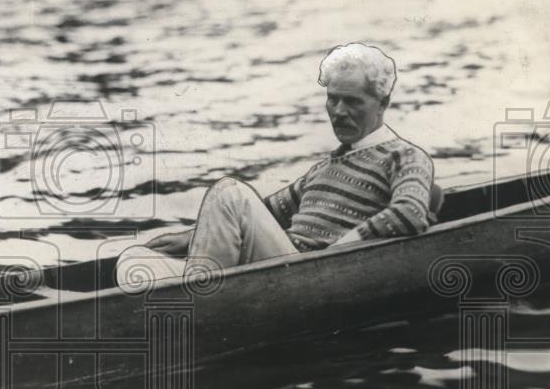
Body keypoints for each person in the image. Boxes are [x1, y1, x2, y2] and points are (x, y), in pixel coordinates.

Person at [116, 42, 435, 288]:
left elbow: (410, 212)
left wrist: (338, 252)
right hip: (280, 269)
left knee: (230, 192)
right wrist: (192, 236)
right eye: (333, 98)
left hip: (314, 276)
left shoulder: (404, 156)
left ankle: (199, 296)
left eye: (352, 101)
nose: (338, 111)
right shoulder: (324, 168)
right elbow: (264, 213)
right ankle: (200, 290)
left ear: (382, 103)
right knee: (132, 261)